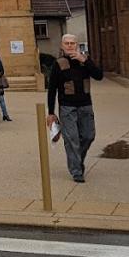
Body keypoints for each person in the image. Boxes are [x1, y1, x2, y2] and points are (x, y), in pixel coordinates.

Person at [45, 34, 103, 182]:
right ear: (62, 46)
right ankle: (77, 171)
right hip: (67, 107)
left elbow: (99, 76)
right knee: (72, 139)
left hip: (85, 105)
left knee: (89, 136)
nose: (70, 45)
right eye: (67, 43)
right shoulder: (58, 64)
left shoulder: (85, 61)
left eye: (72, 43)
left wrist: (86, 61)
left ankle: (77, 161)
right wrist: (51, 113)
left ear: (77, 45)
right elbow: (52, 90)